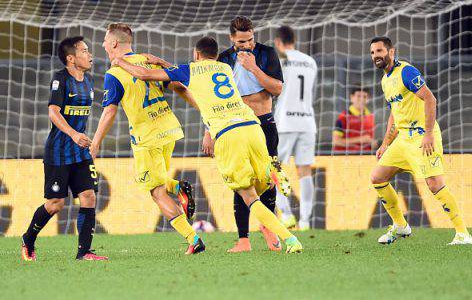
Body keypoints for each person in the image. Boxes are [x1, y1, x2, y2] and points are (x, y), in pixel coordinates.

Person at [113, 36, 303, 253]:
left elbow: (145, 74)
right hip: (253, 127)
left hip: (229, 135)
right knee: (263, 187)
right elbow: (190, 80)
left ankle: (290, 240)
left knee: (249, 196)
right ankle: (272, 174)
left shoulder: (190, 70)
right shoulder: (224, 68)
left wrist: (121, 63)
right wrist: (163, 62)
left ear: (196, 55)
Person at [90, 23, 204, 255]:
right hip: (169, 129)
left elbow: (109, 111)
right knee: (158, 181)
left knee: (156, 191)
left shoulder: (114, 73)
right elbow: (179, 86)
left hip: (147, 137)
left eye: (104, 40)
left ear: (114, 43)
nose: (102, 44)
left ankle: (193, 239)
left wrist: (95, 143)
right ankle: (179, 187)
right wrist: (203, 109)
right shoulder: (147, 60)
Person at [369, 36, 472, 245]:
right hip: (402, 138)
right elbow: (394, 114)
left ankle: (463, 233)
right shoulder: (385, 80)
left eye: (379, 51)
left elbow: (430, 98)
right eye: (372, 53)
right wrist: (385, 143)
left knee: (434, 184)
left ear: (391, 52)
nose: (375, 56)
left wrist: (428, 134)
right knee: (377, 177)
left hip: (421, 136)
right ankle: (400, 225)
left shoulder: (406, 72)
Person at [203, 16, 289, 253]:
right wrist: (209, 131)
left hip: (263, 124)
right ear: (232, 39)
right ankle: (243, 239)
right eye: (241, 41)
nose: (247, 44)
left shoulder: (266, 53)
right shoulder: (223, 60)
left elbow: (277, 89)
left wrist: (253, 68)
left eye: (250, 39)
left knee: (269, 179)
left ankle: (269, 227)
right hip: (235, 127)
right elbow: (215, 99)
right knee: (241, 182)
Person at [21, 36, 108, 261]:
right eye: (85, 51)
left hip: (80, 153)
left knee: (89, 196)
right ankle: (28, 239)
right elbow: (53, 112)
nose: (90, 55)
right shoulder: (60, 80)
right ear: (71, 58)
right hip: (59, 152)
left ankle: (84, 252)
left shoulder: (88, 81)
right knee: (56, 204)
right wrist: (74, 134)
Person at [273, 25, 318, 230]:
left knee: (275, 168)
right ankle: (306, 221)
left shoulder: (280, 61)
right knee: (305, 170)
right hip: (307, 121)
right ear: (294, 40)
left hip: (285, 122)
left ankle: (287, 214)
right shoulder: (310, 62)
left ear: (278, 42)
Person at [332, 87, 376, 153]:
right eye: (358, 96)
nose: (362, 99)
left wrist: (372, 143)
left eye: (364, 97)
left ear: (368, 99)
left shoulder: (370, 116)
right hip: (344, 158)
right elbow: (336, 141)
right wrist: (359, 139)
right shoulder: (343, 117)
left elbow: (369, 139)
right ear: (352, 97)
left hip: (365, 157)